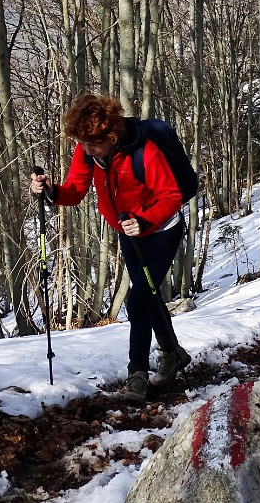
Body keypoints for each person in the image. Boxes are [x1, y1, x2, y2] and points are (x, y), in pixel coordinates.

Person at [31, 94, 191, 401]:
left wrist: (144, 221)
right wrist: (50, 190)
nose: (87, 151)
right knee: (150, 295)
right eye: (83, 144)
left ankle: (137, 375)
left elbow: (171, 196)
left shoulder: (145, 152)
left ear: (112, 136)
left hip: (161, 230)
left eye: (93, 145)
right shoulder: (87, 149)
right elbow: (75, 191)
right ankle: (172, 354)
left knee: (139, 300)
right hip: (128, 233)